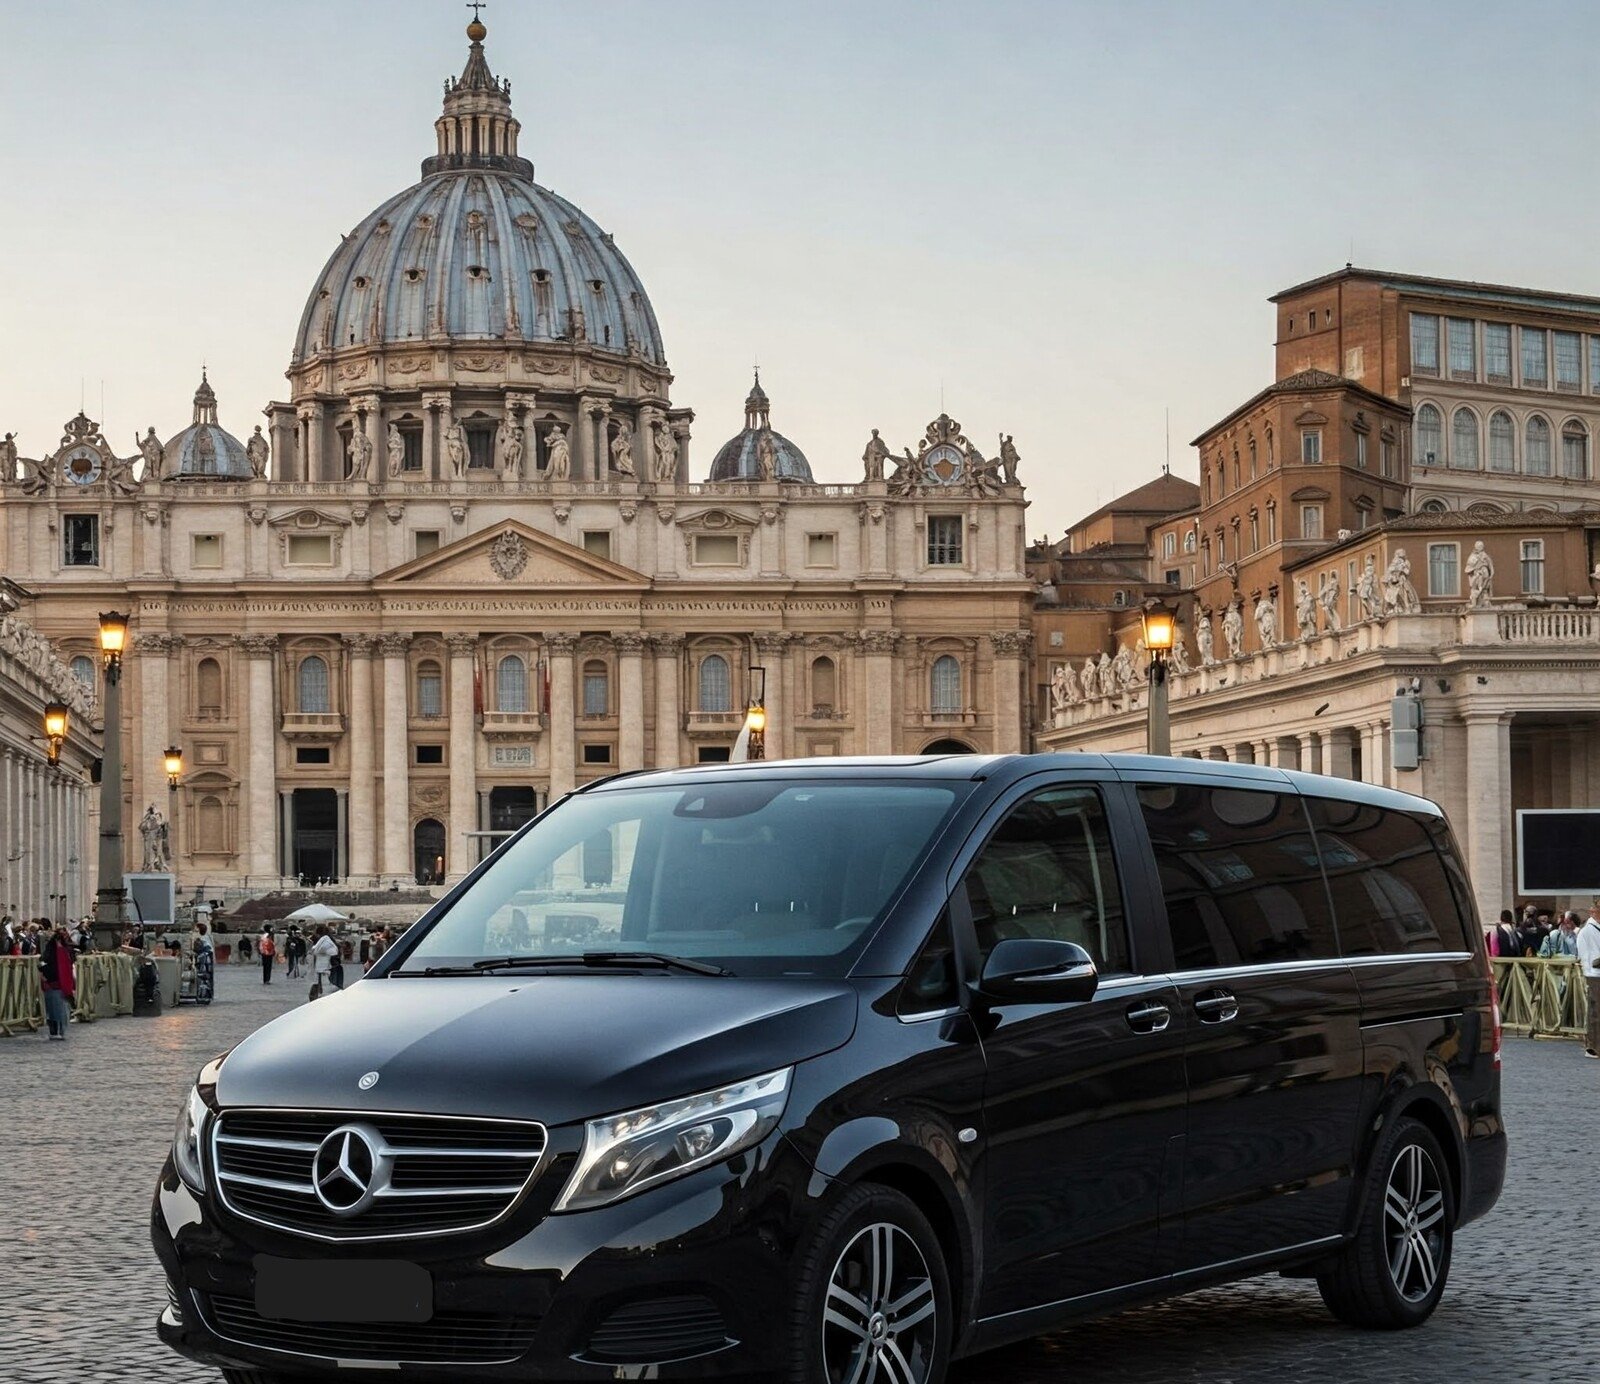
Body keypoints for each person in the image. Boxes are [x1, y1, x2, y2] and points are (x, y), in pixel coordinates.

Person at [39, 924, 77, 1040]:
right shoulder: (60, 951)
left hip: (56, 983)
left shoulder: (62, 951)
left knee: (56, 1009)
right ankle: (57, 1030)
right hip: (56, 983)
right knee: (55, 1009)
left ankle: (58, 1030)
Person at [1580, 903, 1600, 1058]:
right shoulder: (1587, 930)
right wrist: (1588, 970)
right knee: (1596, 1011)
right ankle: (1593, 1047)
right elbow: (1584, 954)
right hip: (1594, 974)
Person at [309, 925, 339, 1001]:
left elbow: (318, 950)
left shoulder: (325, 941)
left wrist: (314, 949)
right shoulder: (326, 940)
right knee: (319, 983)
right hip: (323, 967)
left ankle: (319, 997)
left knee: (322, 984)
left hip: (324, 967)